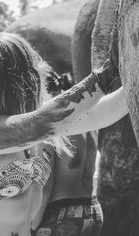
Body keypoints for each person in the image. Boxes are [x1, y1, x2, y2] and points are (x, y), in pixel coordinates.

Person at [0, 32, 128, 236]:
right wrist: (106, 74)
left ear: (20, 79)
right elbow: (38, 124)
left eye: (0, 77)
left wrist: (132, 73)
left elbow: (105, 113)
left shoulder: (37, 125)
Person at [32, 73, 103, 236]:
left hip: (61, 216)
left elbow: (46, 185)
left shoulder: (50, 123)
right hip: (92, 209)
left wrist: (32, 224)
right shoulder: (86, 120)